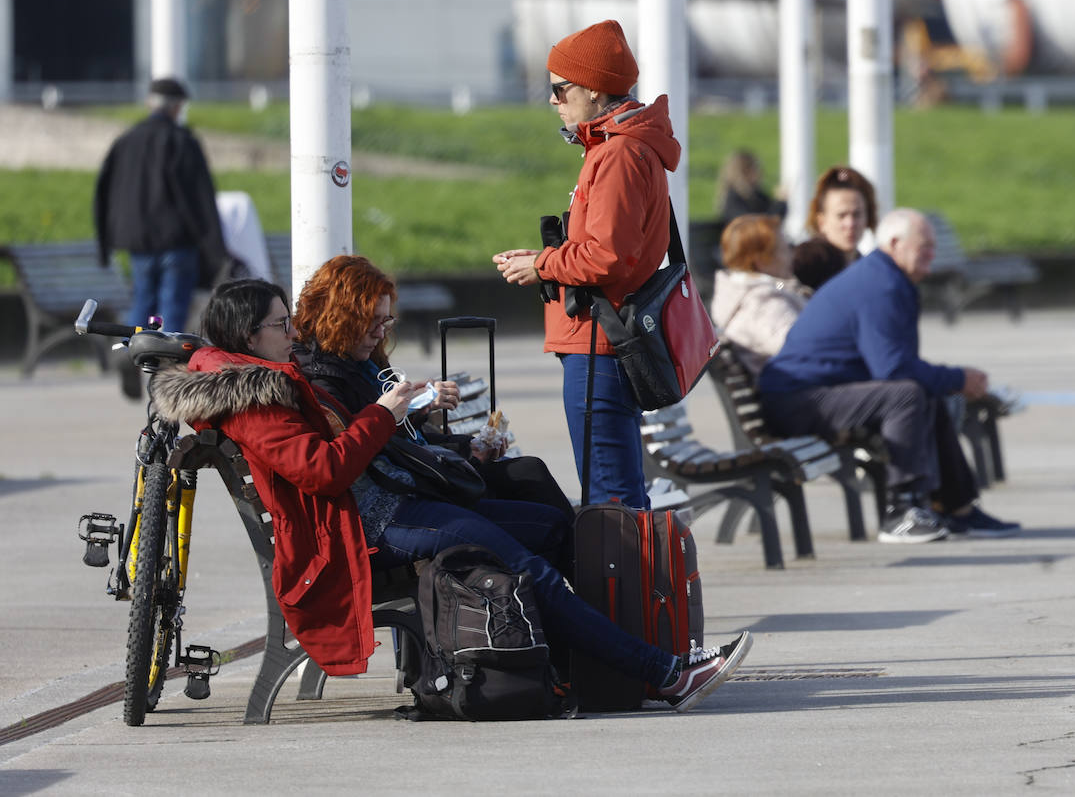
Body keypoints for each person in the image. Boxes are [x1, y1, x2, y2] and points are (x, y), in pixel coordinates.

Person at [148, 279, 751, 712]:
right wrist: (385, 413)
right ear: (247, 336)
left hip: (383, 511)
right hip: (367, 531)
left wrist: (402, 420)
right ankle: (661, 674)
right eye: (281, 325)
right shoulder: (254, 398)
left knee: (544, 529)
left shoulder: (268, 382)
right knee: (528, 567)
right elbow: (324, 470)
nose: (293, 331)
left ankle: (615, 669)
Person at [493, 20, 680, 509]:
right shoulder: (621, 146)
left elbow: (608, 256)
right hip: (605, 337)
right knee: (614, 492)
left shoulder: (618, 153)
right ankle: (633, 584)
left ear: (595, 90)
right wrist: (545, 260)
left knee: (609, 499)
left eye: (560, 88)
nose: (553, 100)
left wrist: (544, 264)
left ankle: (626, 587)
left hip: (601, 341)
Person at [758, 209, 1021, 544]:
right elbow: (893, 370)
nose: (931, 254)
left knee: (923, 391)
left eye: (933, 247)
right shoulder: (880, 285)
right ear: (894, 243)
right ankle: (901, 511)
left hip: (818, 394)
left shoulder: (888, 278)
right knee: (907, 393)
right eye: (923, 245)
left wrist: (947, 380)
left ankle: (957, 509)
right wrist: (957, 377)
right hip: (797, 401)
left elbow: (896, 365)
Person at [292, 254, 575, 525]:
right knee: (541, 512)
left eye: (385, 321)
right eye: (371, 322)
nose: (380, 333)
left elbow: (399, 437)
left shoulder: (359, 361)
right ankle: (594, 562)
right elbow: (378, 451)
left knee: (530, 477)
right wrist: (419, 417)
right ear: (341, 318)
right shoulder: (325, 377)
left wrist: (466, 447)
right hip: (408, 495)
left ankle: (594, 559)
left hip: (423, 475)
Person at [95, 77, 226, 398]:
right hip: (177, 242)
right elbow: (199, 199)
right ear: (178, 107)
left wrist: (104, 242)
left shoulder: (126, 140)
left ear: (149, 104)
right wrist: (215, 250)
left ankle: (132, 351)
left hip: (137, 242)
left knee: (142, 299)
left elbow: (104, 192)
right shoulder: (182, 141)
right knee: (172, 307)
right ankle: (166, 376)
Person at [710, 214, 809, 378]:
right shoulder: (761, 303)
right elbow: (799, 348)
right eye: (784, 249)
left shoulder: (751, 291)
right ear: (761, 261)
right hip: (802, 391)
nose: (791, 254)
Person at [715, 149, 785, 223]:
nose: (760, 173)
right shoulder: (733, 200)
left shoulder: (757, 195)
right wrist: (780, 203)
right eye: (756, 168)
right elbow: (757, 224)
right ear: (745, 172)